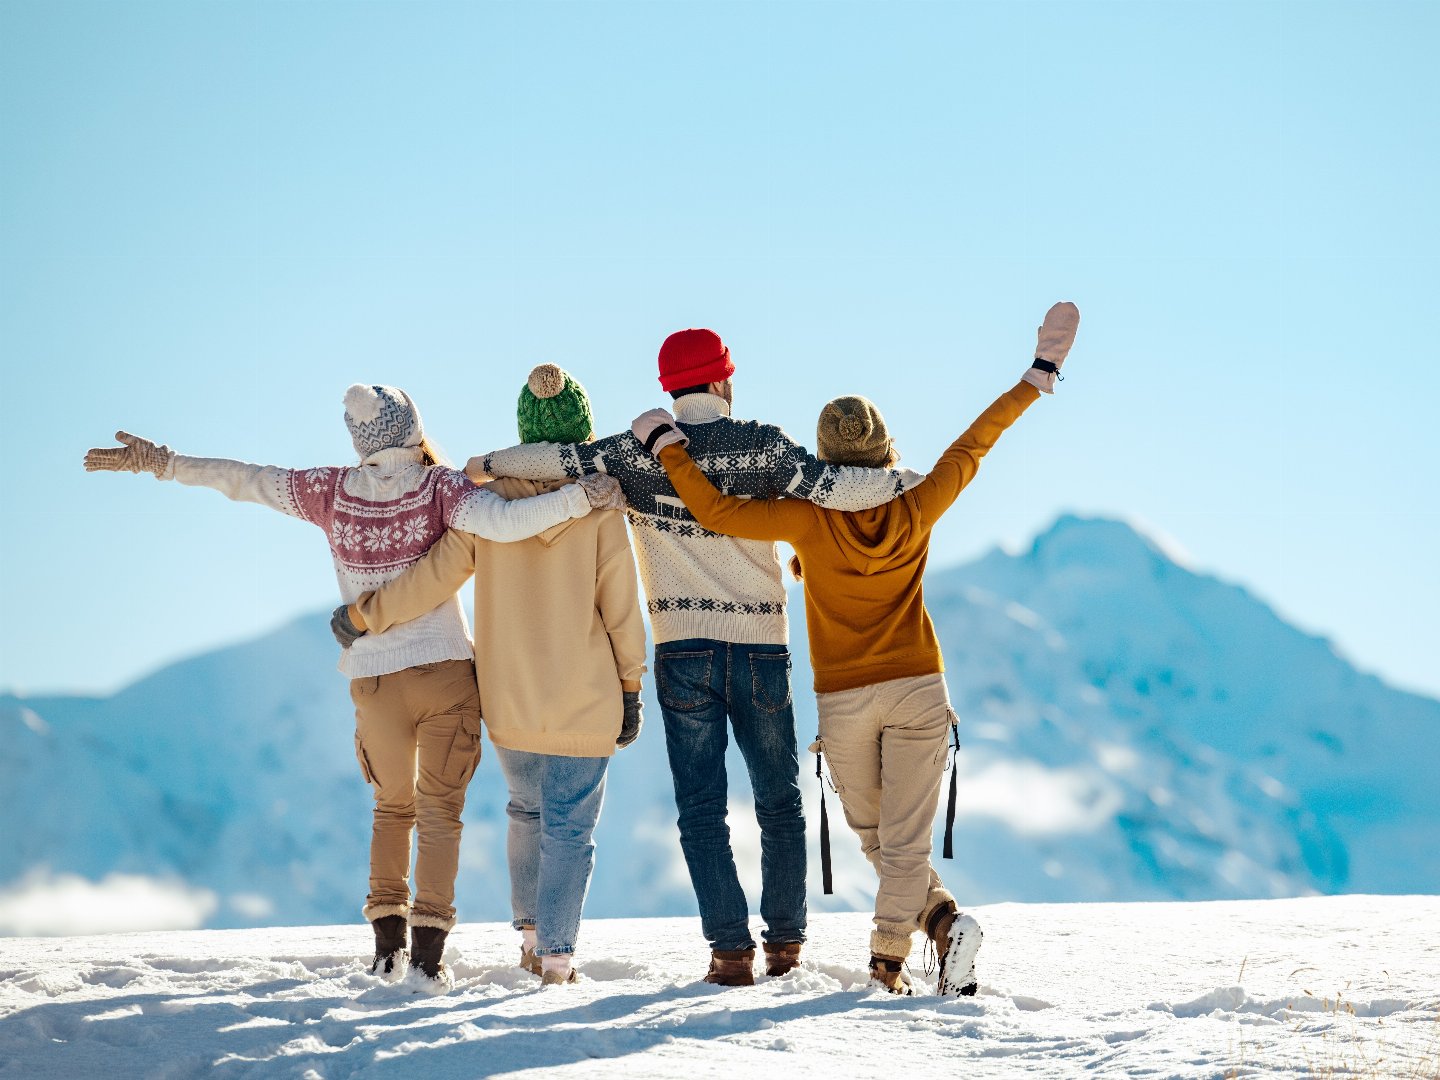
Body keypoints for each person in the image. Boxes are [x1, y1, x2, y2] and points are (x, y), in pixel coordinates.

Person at [83, 384, 623, 992]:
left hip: (373, 678)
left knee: (392, 810)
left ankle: (387, 950)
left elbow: (247, 479)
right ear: (412, 425)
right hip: (445, 670)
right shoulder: (442, 488)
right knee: (441, 815)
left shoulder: (330, 491)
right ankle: (428, 958)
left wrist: (164, 463)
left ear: (359, 438)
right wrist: (581, 498)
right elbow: (507, 521)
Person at [629, 302, 1080, 995]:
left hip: (843, 702)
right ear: (886, 451)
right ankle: (944, 926)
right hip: (919, 691)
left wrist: (666, 447)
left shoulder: (806, 520)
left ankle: (887, 964)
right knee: (892, 844)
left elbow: (715, 512)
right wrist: (1036, 375)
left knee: (882, 841)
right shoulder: (917, 503)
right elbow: (975, 443)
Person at [471, 330, 921, 985]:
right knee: (778, 803)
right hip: (762, 647)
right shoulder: (764, 443)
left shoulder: (631, 454)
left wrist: (486, 463)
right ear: (723, 382)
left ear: (671, 390)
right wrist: (911, 482)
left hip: (682, 650)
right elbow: (833, 487)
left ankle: (730, 952)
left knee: (702, 808)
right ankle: (786, 946)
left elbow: (553, 458)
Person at [336, 365, 647, 987]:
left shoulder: (486, 505)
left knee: (526, 814)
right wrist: (632, 687)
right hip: (584, 697)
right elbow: (621, 612)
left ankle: (532, 943)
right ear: (579, 431)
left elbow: (432, 580)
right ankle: (557, 960)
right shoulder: (600, 506)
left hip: (505, 698)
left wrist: (364, 615)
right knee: (569, 827)